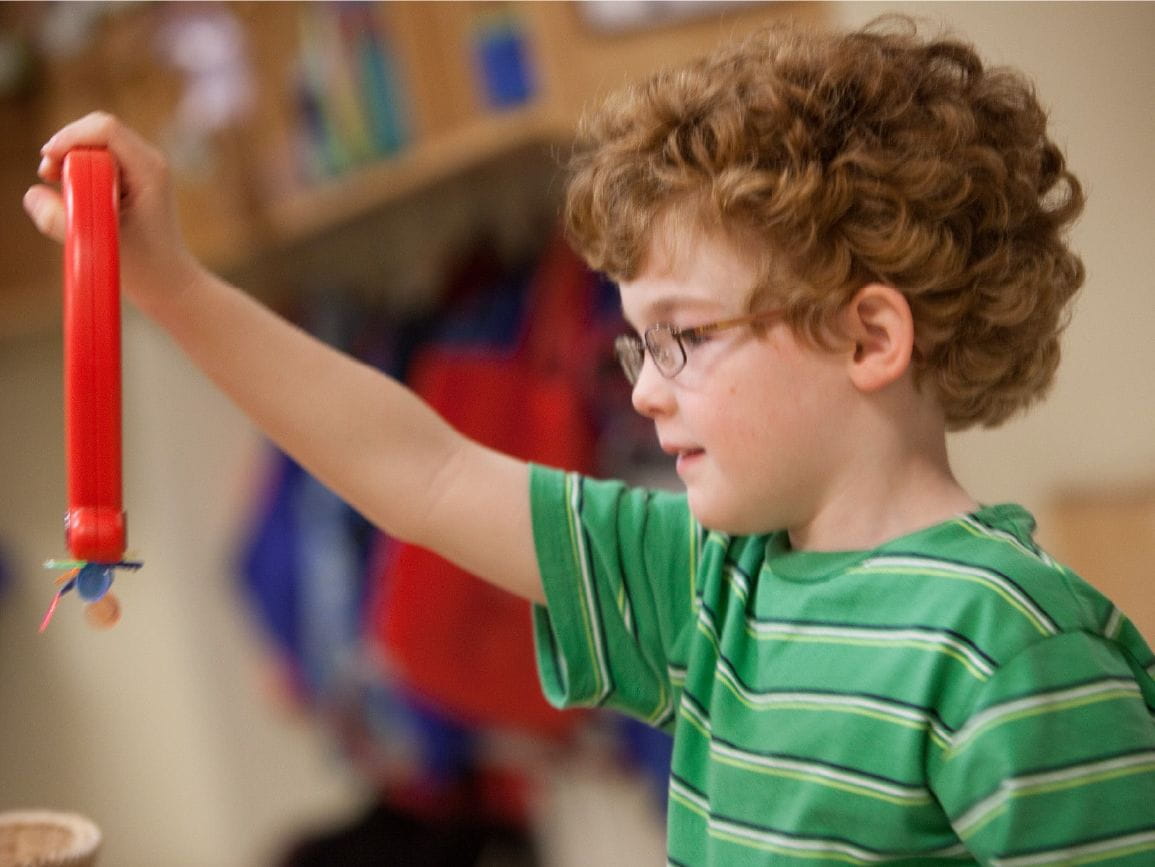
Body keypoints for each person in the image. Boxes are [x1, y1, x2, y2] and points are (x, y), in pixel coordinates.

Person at [24, 16, 1155, 866]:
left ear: (868, 334)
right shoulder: (718, 583)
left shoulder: (1012, 649)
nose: (647, 397)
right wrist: (165, 281)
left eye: (685, 339)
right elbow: (424, 467)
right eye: (635, 347)